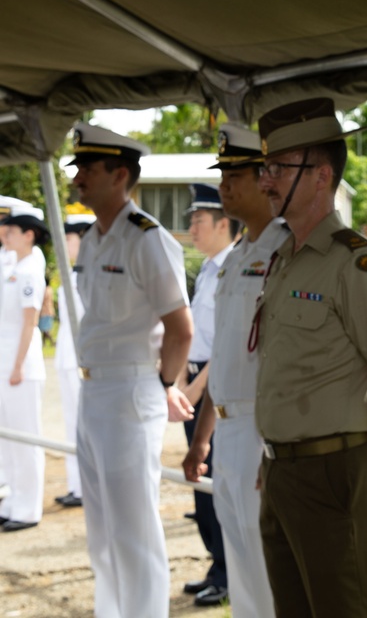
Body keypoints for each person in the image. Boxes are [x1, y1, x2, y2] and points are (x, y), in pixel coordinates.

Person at [252, 98, 367, 617]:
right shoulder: (284, 259)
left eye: (279, 168)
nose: (265, 181)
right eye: (265, 168)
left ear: (321, 175)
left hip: (335, 470)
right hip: (280, 469)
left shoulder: (356, 264)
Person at [70, 123, 194, 618]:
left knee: (133, 529)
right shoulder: (95, 238)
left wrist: (163, 385)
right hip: (93, 389)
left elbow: (180, 329)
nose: (77, 177)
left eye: (87, 168)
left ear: (120, 174)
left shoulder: (147, 239)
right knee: (101, 530)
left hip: (130, 389)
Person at [182, 123, 283, 618]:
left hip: (267, 432)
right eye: (221, 173)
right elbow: (223, 357)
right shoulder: (235, 257)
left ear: (266, 177)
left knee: (270, 570)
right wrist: (202, 439)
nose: (225, 184)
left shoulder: (287, 249)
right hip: (227, 430)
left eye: (234, 173)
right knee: (241, 567)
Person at [176, 182, 234, 607]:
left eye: (198, 221)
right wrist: (179, 381)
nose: (192, 228)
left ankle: (228, 571)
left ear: (223, 223)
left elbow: (227, 344)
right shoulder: (209, 269)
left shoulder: (235, 269)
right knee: (201, 484)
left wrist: (195, 389)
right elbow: (193, 336)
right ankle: (216, 562)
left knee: (218, 482)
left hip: (213, 388)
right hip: (193, 383)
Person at [0, 206, 49, 531]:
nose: (5, 236)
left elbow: (30, 323)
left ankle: (28, 508)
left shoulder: (31, 269)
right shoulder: (13, 266)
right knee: (8, 439)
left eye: (11, 231)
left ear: (28, 235)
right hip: (5, 362)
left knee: (26, 438)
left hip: (22, 366)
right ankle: (14, 500)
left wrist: (17, 366)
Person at [52, 211, 97, 509]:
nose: (65, 245)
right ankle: (76, 486)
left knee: (88, 428)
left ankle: (89, 486)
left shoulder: (94, 273)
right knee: (71, 426)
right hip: (67, 359)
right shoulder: (71, 273)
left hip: (85, 362)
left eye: (68, 238)